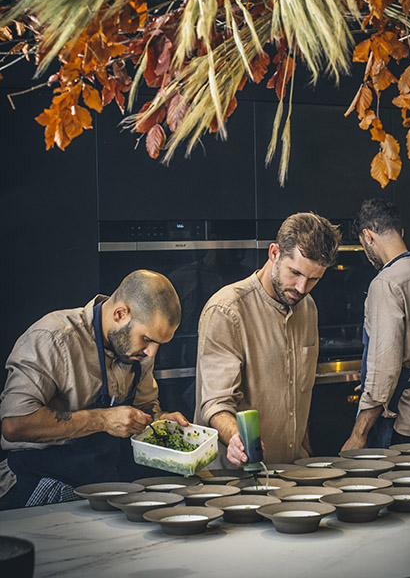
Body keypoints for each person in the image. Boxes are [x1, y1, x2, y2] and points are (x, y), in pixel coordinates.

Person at [0, 269, 188, 507]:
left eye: (158, 344)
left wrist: (160, 421)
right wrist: (103, 420)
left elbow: (145, 407)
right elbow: (15, 425)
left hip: (101, 481)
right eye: (148, 339)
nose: (152, 353)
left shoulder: (139, 352)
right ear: (120, 314)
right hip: (35, 480)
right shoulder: (52, 338)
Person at [194, 212, 342, 467]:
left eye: (314, 279)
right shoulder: (226, 310)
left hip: (292, 471)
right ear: (274, 253)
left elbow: (298, 394)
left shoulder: (308, 308)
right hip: (234, 476)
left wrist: (305, 450)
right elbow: (215, 404)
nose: (301, 288)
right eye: (294, 272)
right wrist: (237, 439)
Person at [341, 199, 410, 451]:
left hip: (393, 418)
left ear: (368, 237)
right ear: (400, 232)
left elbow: (384, 370)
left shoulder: (385, 283)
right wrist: (401, 376)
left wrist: (358, 434)